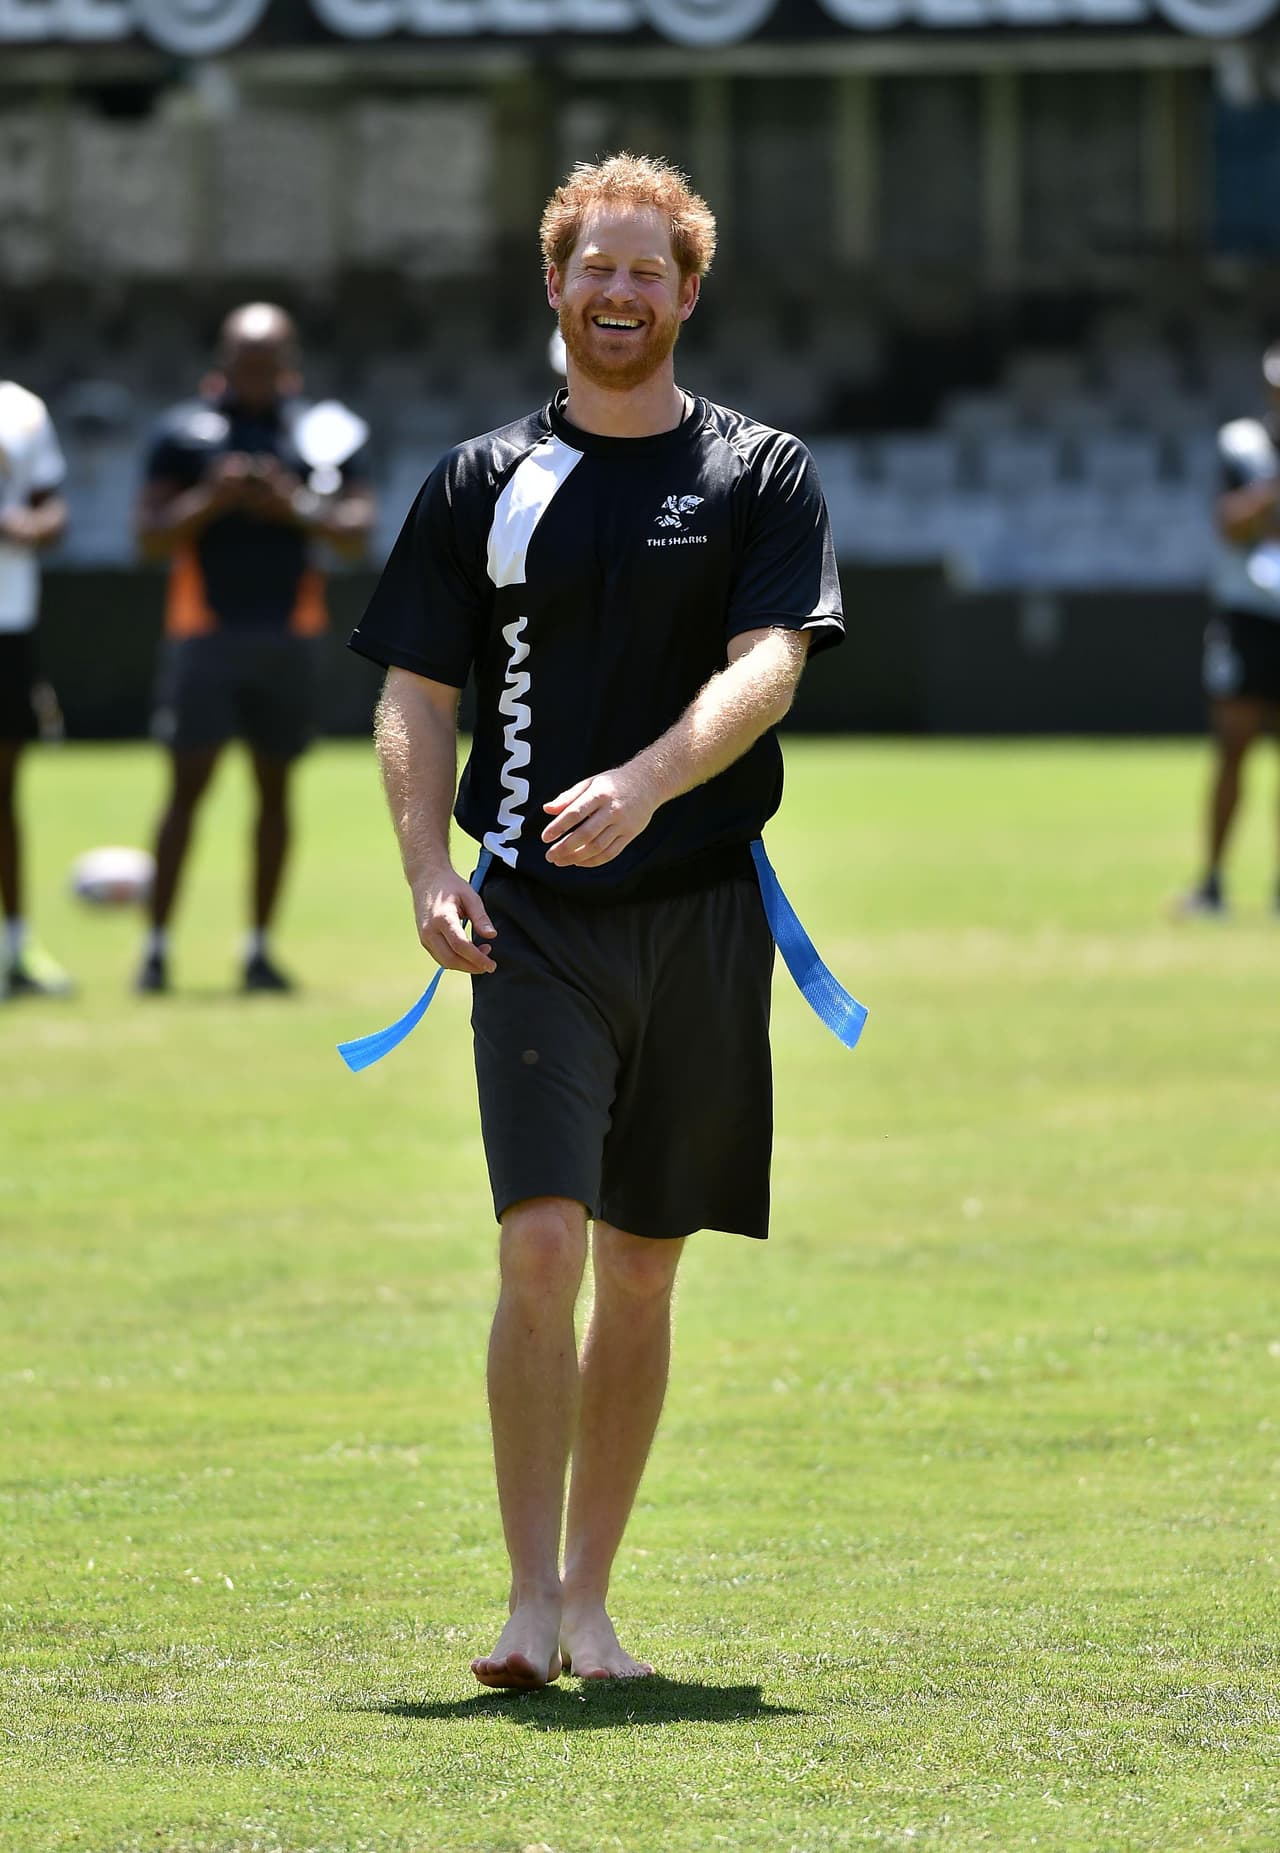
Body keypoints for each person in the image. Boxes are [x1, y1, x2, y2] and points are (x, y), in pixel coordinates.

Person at [349, 153, 844, 1689]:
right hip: (535, 923)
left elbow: (774, 664)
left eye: (648, 271)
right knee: (541, 1247)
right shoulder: (479, 484)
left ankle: (589, 1595)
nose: (619, 294)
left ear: (689, 293)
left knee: (640, 1265)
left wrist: (647, 778)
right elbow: (415, 695)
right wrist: (429, 869)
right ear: (553, 287)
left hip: (701, 913)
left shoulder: (761, 472)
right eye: (595, 268)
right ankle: (518, 1600)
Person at [134, 304, 376, 993]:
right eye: (245, 364)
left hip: (287, 635)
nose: (257, 377)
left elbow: (357, 531)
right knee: (186, 790)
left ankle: (259, 948)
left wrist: (290, 503)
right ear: (223, 360)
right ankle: (155, 949)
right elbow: (147, 537)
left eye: (268, 365)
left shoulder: (321, 434)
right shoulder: (183, 433)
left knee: (275, 792)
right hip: (204, 633)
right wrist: (211, 499)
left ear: (289, 363)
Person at [1180, 343, 1280, 916]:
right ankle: (1214, 879)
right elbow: (1230, 523)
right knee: (1234, 746)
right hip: (1248, 612)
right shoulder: (1244, 445)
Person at [0, 378, 71, 999]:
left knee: (3, 793)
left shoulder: (21, 409)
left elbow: (53, 511)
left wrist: (28, 524)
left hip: (8, 623)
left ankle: (15, 949)